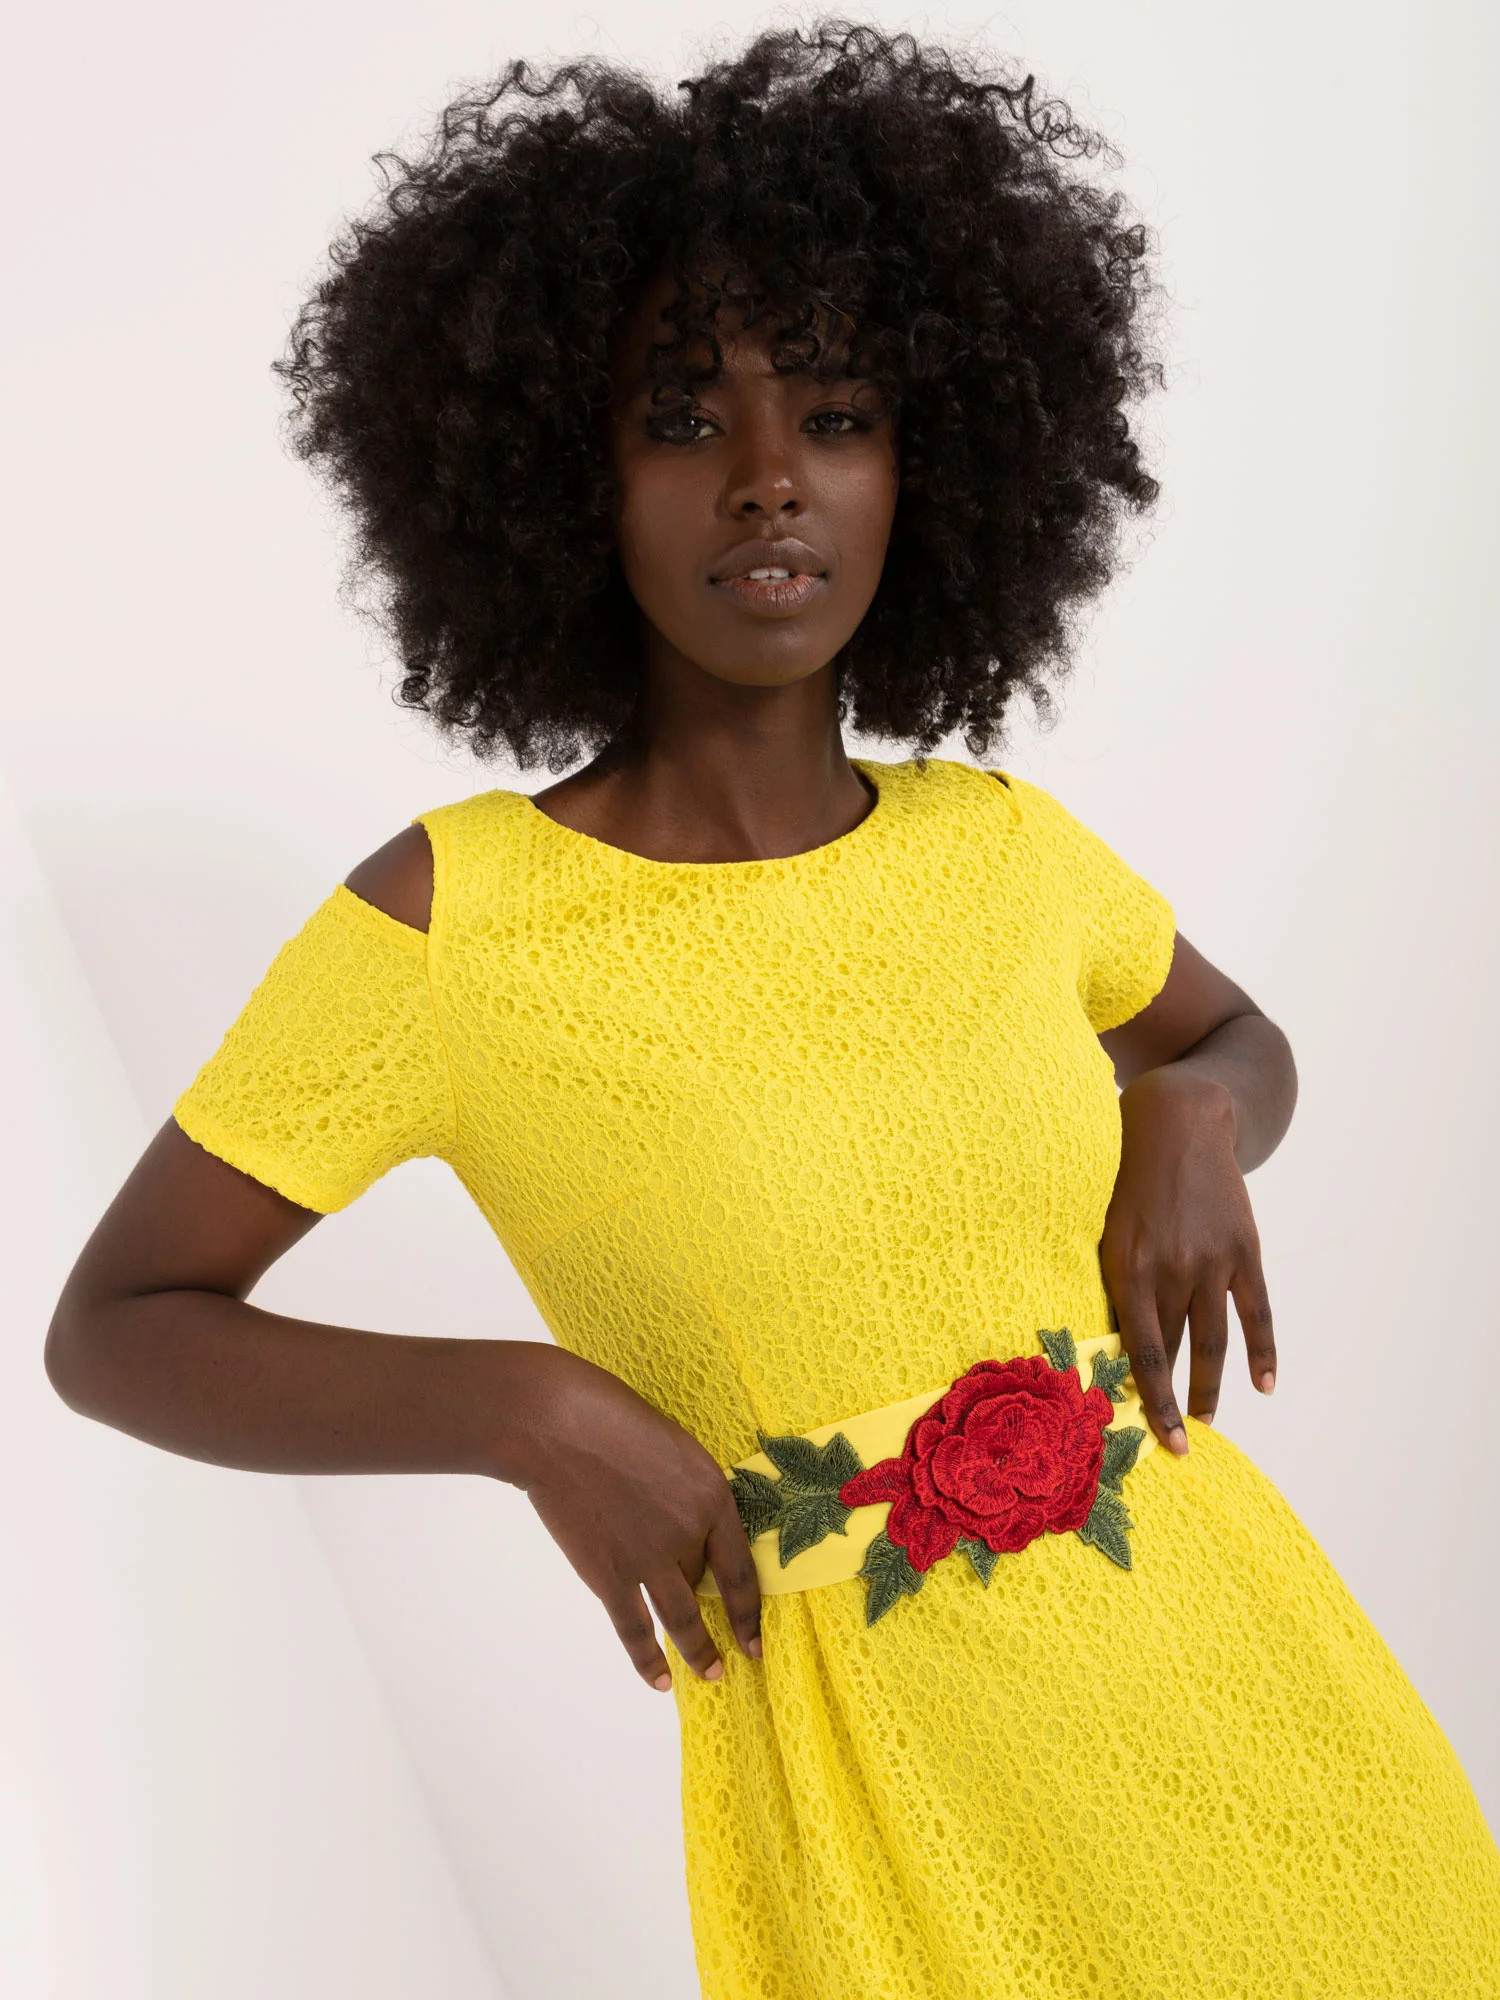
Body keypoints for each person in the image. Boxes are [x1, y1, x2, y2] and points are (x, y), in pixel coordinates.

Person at [45, 21, 1500, 1996]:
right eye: (680, 420)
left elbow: (1238, 1040)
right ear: (560, 472)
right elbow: (119, 1327)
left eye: (834, 413)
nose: (765, 482)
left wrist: (1198, 1108)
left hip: (1261, 1714)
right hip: (882, 1804)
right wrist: (528, 1411)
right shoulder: (457, 924)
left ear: (927, 462)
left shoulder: (1003, 849)